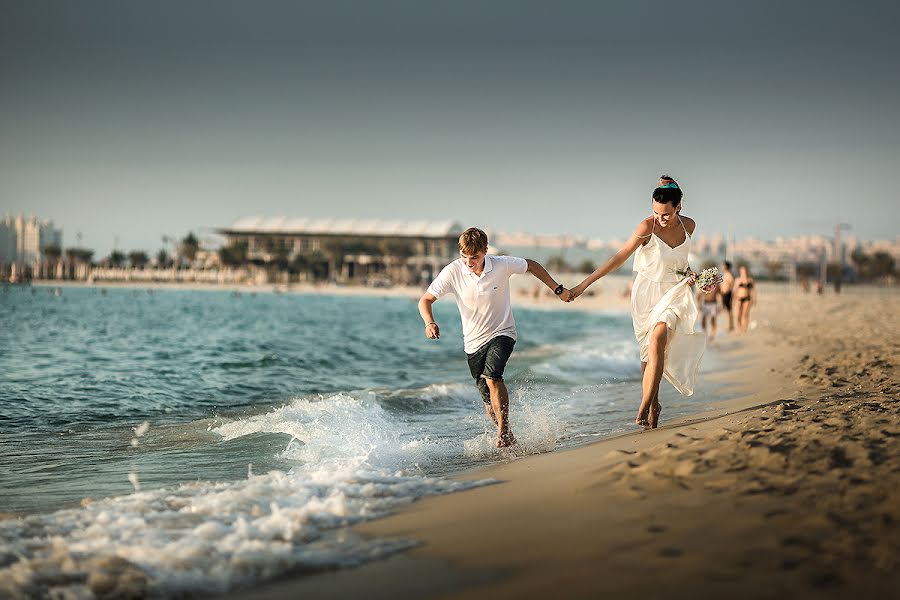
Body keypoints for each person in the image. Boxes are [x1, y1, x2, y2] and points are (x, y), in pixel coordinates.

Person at [567, 175, 705, 429]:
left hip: (675, 293)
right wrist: (582, 286)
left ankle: (643, 404)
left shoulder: (689, 226)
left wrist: (692, 275)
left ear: (678, 206)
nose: (660, 218)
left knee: (658, 338)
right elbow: (618, 257)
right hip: (645, 295)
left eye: (665, 214)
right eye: (655, 212)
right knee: (647, 355)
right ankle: (654, 402)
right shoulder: (646, 227)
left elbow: (681, 264)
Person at [418, 227, 570, 448]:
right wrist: (429, 322)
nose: (468, 262)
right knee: (489, 404)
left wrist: (557, 289)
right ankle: (509, 437)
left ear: (485, 251)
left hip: (503, 332)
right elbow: (425, 300)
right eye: (464, 256)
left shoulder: (501, 264)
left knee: (493, 377)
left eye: (474, 257)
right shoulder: (453, 271)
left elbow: (533, 265)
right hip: (472, 343)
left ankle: (504, 430)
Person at [734, 264, 757, 334]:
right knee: (738, 315)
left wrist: (754, 299)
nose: (744, 272)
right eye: (742, 271)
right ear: (740, 272)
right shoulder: (738, 280)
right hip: (739, 298)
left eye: (745, 271)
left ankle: (744, 329)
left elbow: (753, 291)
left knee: (745, 314)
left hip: (747, 298)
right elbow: (735, 291)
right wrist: (733, 300)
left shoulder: (750, 280)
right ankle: (739, 328)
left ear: (747, 271)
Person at [719, 261, 735, 331]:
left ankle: (730, 325)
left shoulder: (729, 275)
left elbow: (732, 286)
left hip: (727, 294)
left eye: (723, 266)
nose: (722, 267)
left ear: (726, 267)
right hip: (724, 294)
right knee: (726, 310)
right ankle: (729, 325)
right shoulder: (725, 274)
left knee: (728, 310)